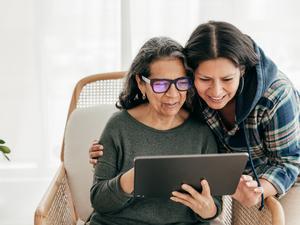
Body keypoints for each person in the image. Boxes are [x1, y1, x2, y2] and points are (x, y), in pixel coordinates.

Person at [89, 21, 300, 210]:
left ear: (242, 71)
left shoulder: (276, 96)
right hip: (234, 180)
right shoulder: (185, 91)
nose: (216, 92)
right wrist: (108, 154)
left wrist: (260, 191)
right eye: (205, 79)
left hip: (284, 178)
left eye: (227, 79)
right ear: (192, 74)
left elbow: (289, 161)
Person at [89, 36, 222, 225]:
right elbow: (99, 201)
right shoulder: (118, 126)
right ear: (141, 83)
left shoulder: (202, 133)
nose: (173, 94)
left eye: (181, 82)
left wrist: (208, 209)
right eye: (160, 84)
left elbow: (214, 205)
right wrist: (130, 181)